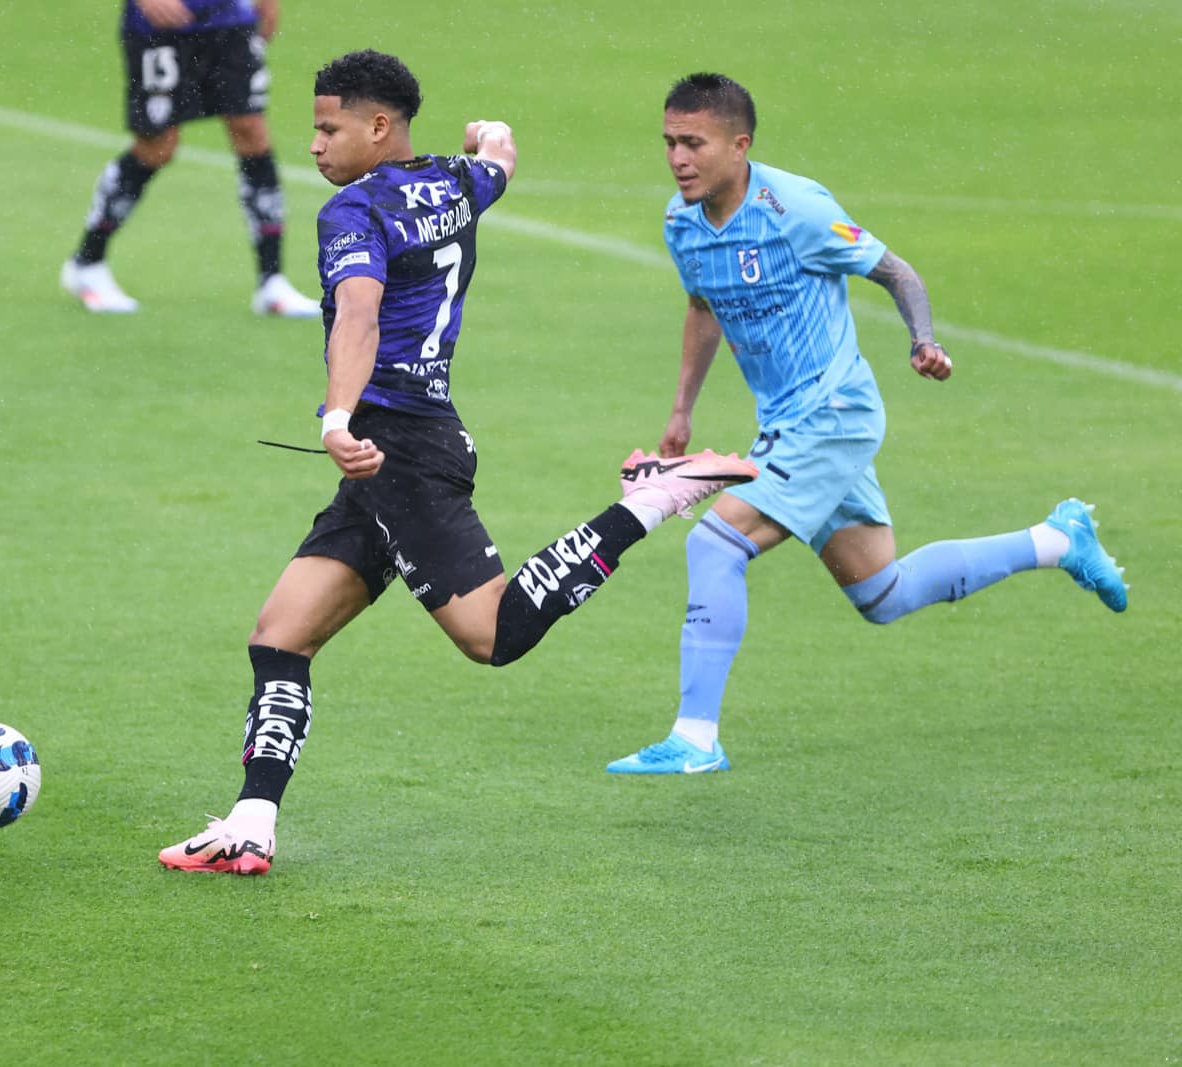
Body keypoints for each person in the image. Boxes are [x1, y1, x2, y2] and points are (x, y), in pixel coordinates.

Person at [158, 50, 757, 874]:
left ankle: (653, 499)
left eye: (329, 128)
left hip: (394, 449)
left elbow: (358, 316)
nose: (316, 146)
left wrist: (337, 415)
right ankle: (252, 823)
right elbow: (497, 165)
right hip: (404, 446)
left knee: (493, 632)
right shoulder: (454, 182)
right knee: (281, 634)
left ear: (378, 127)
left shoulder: (354, 213)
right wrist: (495, 136)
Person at [606, 73, 1129, 776]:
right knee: (882, 592)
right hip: (788, 422)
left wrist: (922, 340)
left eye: (693, 143)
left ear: (740, 144)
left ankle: (695, 738)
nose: (678, 158)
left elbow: (897, 271)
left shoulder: (796, 209)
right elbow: (702, 308)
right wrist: (680, 409)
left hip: (834, 414)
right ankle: (1057, 539)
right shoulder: (682, 222)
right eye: (669, 142)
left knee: (716, 543)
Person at [58, 0, 320, 317]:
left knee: (251, 130)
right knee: (157, 147)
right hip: (160, 27)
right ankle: (87, 262)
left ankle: (272, 281)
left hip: (231, 19)